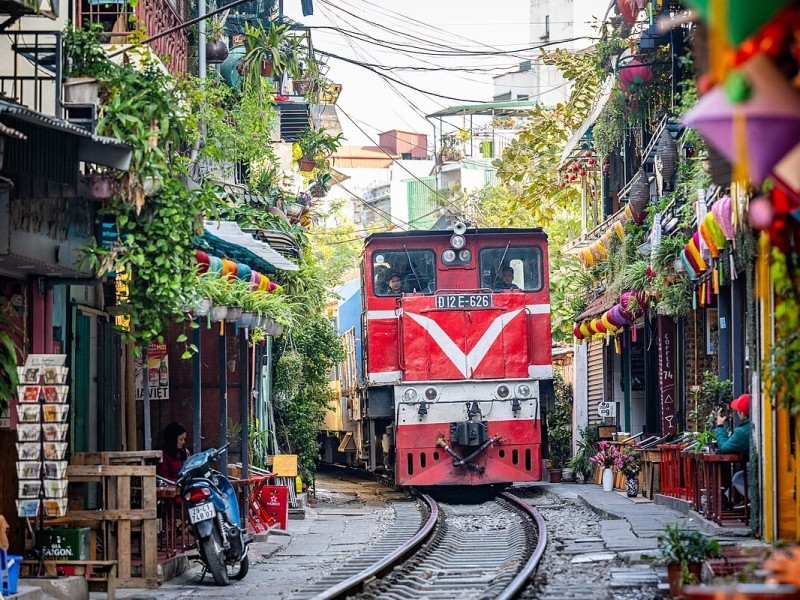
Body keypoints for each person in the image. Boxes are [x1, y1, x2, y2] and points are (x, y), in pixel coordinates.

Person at [712, 393, 750, 507]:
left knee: (737, 478)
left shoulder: (742, 431)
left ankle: (758, 499)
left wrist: (719, 427)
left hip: (753, 469)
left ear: (742, 413)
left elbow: (725, 447)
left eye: (737, 411)